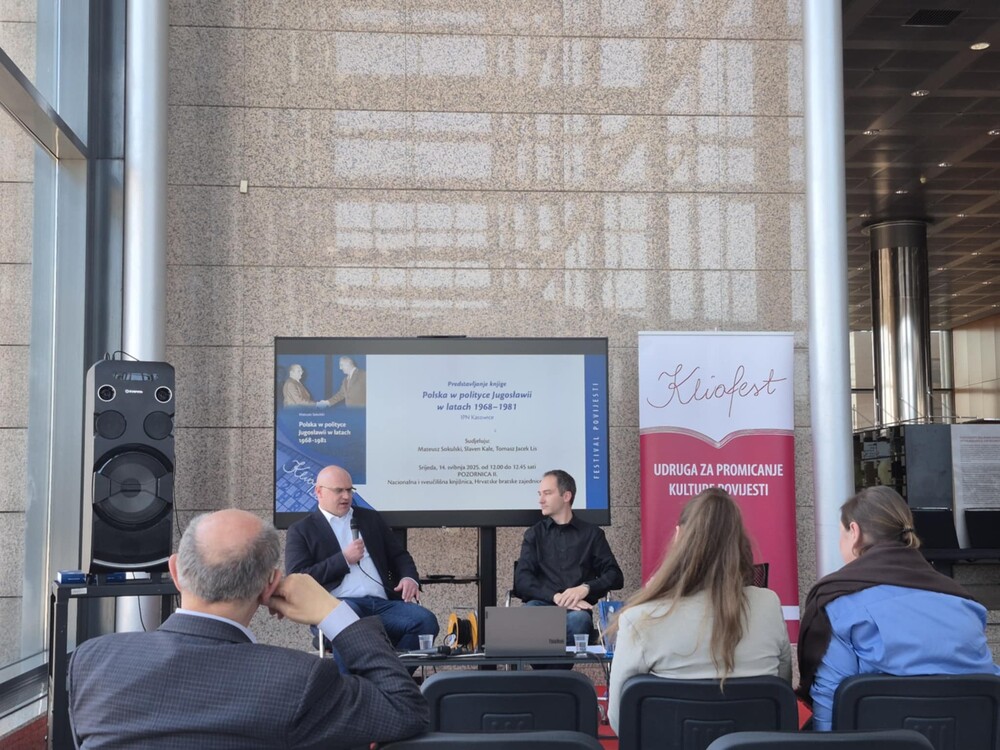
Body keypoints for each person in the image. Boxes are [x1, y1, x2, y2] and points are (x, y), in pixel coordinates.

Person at [68, 509, 428, 749]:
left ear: (175, 572)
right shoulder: (298, 680)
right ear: (271, 584)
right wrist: (334, 614)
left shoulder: (90, 662)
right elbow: (404, 710)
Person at [798, 486, 1000, 731]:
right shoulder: (966, 604)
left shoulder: (840, 605)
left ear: (854, 532)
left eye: (840, 533)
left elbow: (829, 707)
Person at [606, 488, 791, 734]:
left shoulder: (640, 619)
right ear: (738, 543)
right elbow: (782, 691)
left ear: (679, 536)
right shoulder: (768, 605)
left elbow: (621, 721)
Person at [286, 464, 439, 652]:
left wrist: (409, 578)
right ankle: (364, 680)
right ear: (319, 492)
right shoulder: (302, 530)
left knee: (425, 621)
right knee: (348, 619)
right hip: (339, 605)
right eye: (339, 491)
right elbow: (297, 580)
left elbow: (399, 556)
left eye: (350, 490)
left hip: (383, 605)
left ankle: (391, 677)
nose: (346, 496)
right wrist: (343, 559)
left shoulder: (370, 519)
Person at [515, 469, 624, 646]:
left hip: (577, 611)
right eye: (540, 494)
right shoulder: (534, 534)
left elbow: (615, 576)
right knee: (530, 616)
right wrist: (557, 597)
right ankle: (556, 674)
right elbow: (522, 580)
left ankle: (549, 673)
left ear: (566, 496)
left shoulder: (592, 535)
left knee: (579, 621)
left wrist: (585, 588)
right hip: (540, 606)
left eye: (547, 494)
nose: (540, 500)